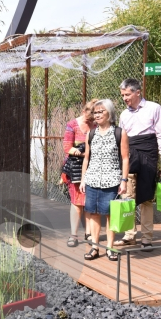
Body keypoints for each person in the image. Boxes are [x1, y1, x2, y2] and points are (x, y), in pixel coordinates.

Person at [113, 78, 161, 249]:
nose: (124, 98)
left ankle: (147, 237)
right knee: (127, 196)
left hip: (149, 154)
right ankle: (129, 235)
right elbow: (123, 141)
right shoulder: (123, 114)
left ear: (138, 92)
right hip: (130, 155)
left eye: (127, 94)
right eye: (123, 95)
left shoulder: (154, 108)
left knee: (146, 197)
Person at [79, 99, 129, 261]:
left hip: (112, 180)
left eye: (101, 112)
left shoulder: (119, 133)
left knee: (109, 215)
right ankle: (95, 247)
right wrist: (83, 179)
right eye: (95, 112)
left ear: (110, 114)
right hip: (92, 180)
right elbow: (87, 158)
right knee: (93, 214)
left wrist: (124, 180)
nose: (97, 115)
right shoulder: (90, 134)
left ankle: (110, 247)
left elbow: (125, 158)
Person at [62, 99, 98, 247]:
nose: (92, 121)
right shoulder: (73, 125)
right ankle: (74, 235)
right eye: (90, 118)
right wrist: (80, 153)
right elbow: (67, 147)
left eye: (94, 118)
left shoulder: (97, 124)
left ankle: (89, 234)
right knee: (77, 201)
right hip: (76, 168)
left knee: (90, 201)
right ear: (84, 112)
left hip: (93, 167)